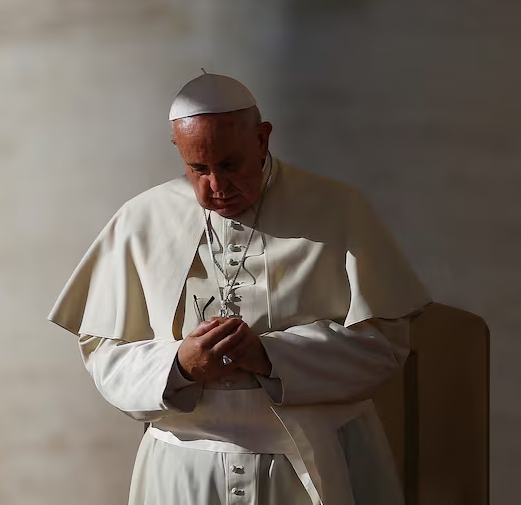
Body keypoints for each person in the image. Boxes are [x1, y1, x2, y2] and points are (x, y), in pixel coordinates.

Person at [47, 73, 430, 505]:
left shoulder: (338, 209)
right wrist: (180, 364)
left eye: (230, 165)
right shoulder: (141, 221)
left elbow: (384, 345)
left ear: (263, 139)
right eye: (198, 169)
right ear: (179, 152)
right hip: (186, 469)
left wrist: (270, 356)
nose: (217, 186)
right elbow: (105, 354)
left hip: (316, 459)